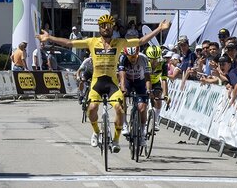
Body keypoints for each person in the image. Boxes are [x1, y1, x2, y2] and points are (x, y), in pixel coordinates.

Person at [37, 14, 169, 153]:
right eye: (103, 26)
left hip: (112, 83)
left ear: (113, 28)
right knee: (92, 108)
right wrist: (50, 38)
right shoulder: (91, 41)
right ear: (99, 28)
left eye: (109, 26)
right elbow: (69, 43)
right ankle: (96, 132)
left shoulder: (119, 42)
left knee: (119, 109)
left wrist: (159, 28)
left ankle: (116, 140)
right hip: (97, 83)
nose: (106, 28)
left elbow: (141, 41)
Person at [118, 46, 151, 144]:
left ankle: (142, 130)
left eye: (134, 56)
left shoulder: (143, 58)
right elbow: (122, 75)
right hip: (128, 80)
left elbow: (147, 77)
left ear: (138, 54)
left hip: (140, 81)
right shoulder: (123, 58)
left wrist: (148, 90)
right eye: (130, 56)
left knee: (142, 108)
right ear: (126, 55)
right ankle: (124, 123)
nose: (132, 59)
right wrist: (123, 88)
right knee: (121, 96)